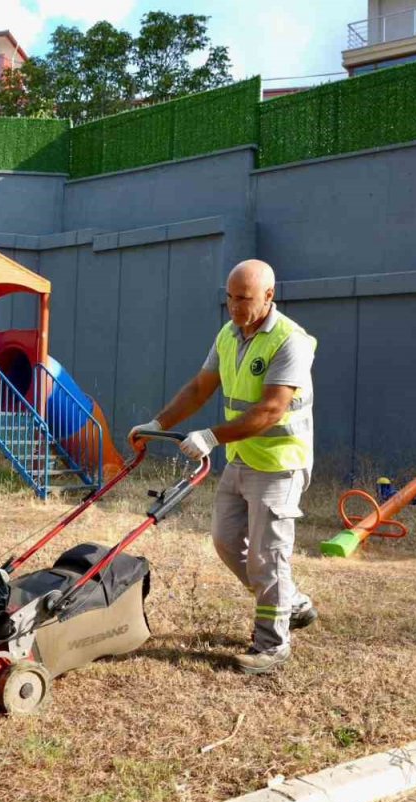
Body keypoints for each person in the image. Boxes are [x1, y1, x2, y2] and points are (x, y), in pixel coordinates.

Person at [128, 259, 318, 675]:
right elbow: (200, 387)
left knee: (268, 556)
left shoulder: (291, 341)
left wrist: (211, 437)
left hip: (280, 464)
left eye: (244, 299)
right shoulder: (228, 335)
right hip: (242, 458)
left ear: (269, 296)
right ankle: (292, 603)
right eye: (230, 297)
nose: (235, 306)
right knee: (226, 542)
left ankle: (272, 647)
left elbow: (270, 410)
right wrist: (158, 424)